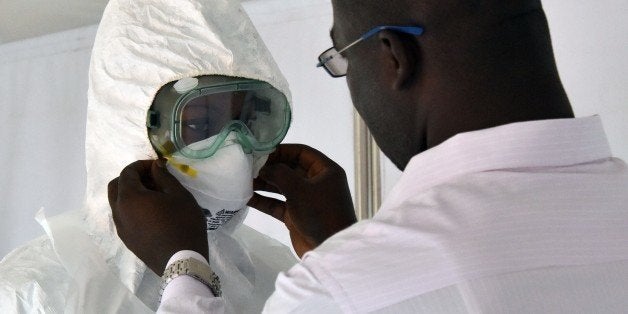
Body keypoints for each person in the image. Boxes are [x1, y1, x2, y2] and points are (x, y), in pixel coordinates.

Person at [110, 0, 628, 312]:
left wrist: (183, 275)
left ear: (393, 57)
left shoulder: (337, 288)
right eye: (202, 125)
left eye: (341, 60)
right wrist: (343, 250)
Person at [0, 0, 298, 313]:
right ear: (129, 126)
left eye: (247, 123)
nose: (235, 151)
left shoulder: (278, 276)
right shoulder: (34, 294)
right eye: (198, 124)